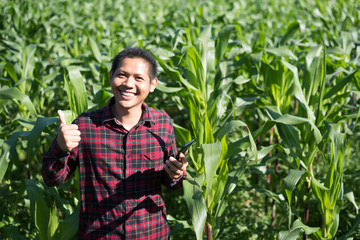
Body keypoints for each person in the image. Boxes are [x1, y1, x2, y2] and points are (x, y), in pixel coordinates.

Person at [42, 48, 188, 239]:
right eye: (122, 75)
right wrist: (60, 147)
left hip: (151, 234)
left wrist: (176, 173)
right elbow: (53, 178)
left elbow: (171, 182)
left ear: (153, 84)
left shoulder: (162, 124)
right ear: (111, 76)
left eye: (138, 78)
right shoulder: (85, 126)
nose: (128, 84)